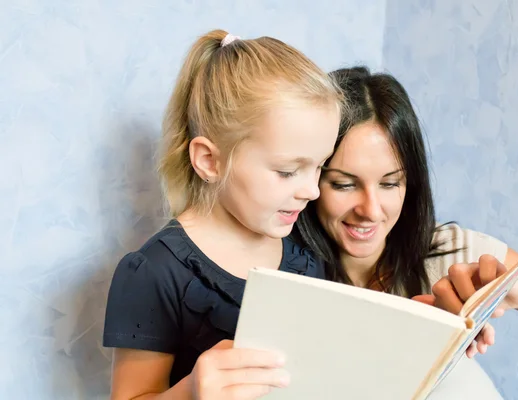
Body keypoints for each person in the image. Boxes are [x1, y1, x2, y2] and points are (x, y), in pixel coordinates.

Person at [293, 66, 518, 397]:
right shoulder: (278, 267)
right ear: (311, 179)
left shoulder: (450, 254)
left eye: (390, 183)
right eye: (343, 184)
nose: (370, 209)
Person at [102, 30, 342, 400]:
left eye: (319, 167)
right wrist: (189, 392)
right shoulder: (153, 273)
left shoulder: (305, 251)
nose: (311, 190)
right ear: (209, 160)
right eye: (287, 171)